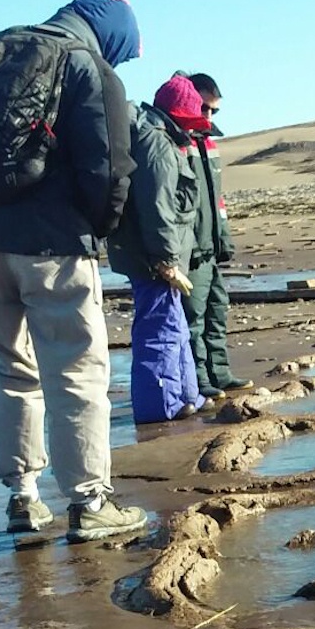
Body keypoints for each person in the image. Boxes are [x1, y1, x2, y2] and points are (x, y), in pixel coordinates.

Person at [0, 0, 150, 544]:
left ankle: (23, 496)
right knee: (76, 374)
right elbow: (110, 166)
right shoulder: (87, 66)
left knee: (13, 370)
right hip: (53, 248)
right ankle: (90, 502)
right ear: (112, 35)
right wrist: (94, 225)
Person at [106, 74, 206, 425]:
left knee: (173, 324)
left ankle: (185, 395)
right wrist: (166, 260)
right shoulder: (157, 143)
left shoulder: (155, 136)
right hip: (153, 258)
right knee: (160, 329)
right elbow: (157, 205)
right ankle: (160, 406)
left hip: (154, 253)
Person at [183, 72, 252, 399]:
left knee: (217, 309)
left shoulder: (208, 142)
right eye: (204, 108)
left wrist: (224, 238)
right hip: (192, 247)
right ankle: (199, 380)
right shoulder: (178, 142)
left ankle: (220, 373)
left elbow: (217, 200)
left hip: (211, 245)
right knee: (194, 317)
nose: (209, 116)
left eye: (214, 110)